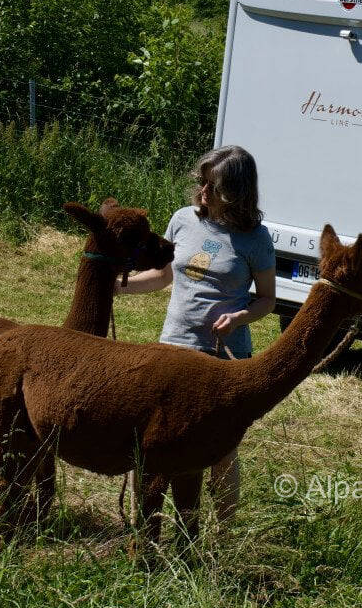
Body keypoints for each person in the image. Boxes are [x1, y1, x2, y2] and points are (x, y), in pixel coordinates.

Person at [117, 145, 276, 526]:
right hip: (173, 349)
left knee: (220, 450)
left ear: (235, 192)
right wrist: (119, 287)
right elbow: (163, 275)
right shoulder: (183, 220)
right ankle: (143, 526)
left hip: (222, 358)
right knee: (153, 439)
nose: (202, 191)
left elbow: (267, 300)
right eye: (202, 182)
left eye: (212, 186)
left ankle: (224, 537)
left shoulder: (256, 239)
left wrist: (239, 317)